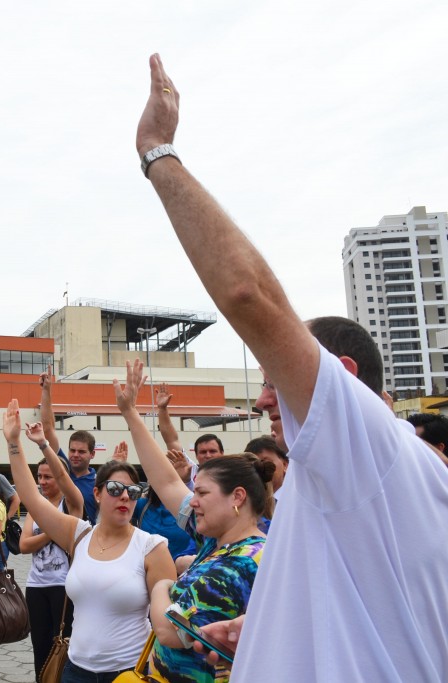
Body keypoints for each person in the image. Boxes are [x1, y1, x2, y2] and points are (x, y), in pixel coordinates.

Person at [135, 53, 448, 680]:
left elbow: (250, 296)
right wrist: (268, 626)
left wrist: (156, 152)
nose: (262, 401)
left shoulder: (370, 444)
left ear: (346, 381)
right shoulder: (352, 477)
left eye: (276, 382)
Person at [115, 360, 270, 683]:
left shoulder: (241, 562)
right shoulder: (217, 541)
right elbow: (168, 483)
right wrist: (130, 413)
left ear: (237, 497)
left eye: (202, 492)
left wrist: (162, 586)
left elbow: (171, 632)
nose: (192, 501)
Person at [4, 399, 175, 682]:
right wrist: (13, 442)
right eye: (116, 488)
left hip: (128, 673)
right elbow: (32, 498)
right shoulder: (78, 534)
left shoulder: (151, 547)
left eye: (132, 491)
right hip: (75, 670)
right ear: (96, 494)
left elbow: (165, 625)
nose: (124, 496)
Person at [18, 443, 84, 682]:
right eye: (39, 477)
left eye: (48, 476)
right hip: (36, 586)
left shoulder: (70, 506)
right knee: (40, 647)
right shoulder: (37, 508)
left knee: (63, 645)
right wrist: (53, 531)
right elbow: (24, 546)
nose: (43, 481)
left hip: (63, 586)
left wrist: (44, 444)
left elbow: (67, 481)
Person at [38, 370, 101, 523]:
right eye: (72, 450)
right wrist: (46, 391)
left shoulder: (99, 483)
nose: (75, 455)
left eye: (81, 451)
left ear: (92, 454)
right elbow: (48, 429)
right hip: (54, 543)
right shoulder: (61, 469)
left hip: (83, 543)